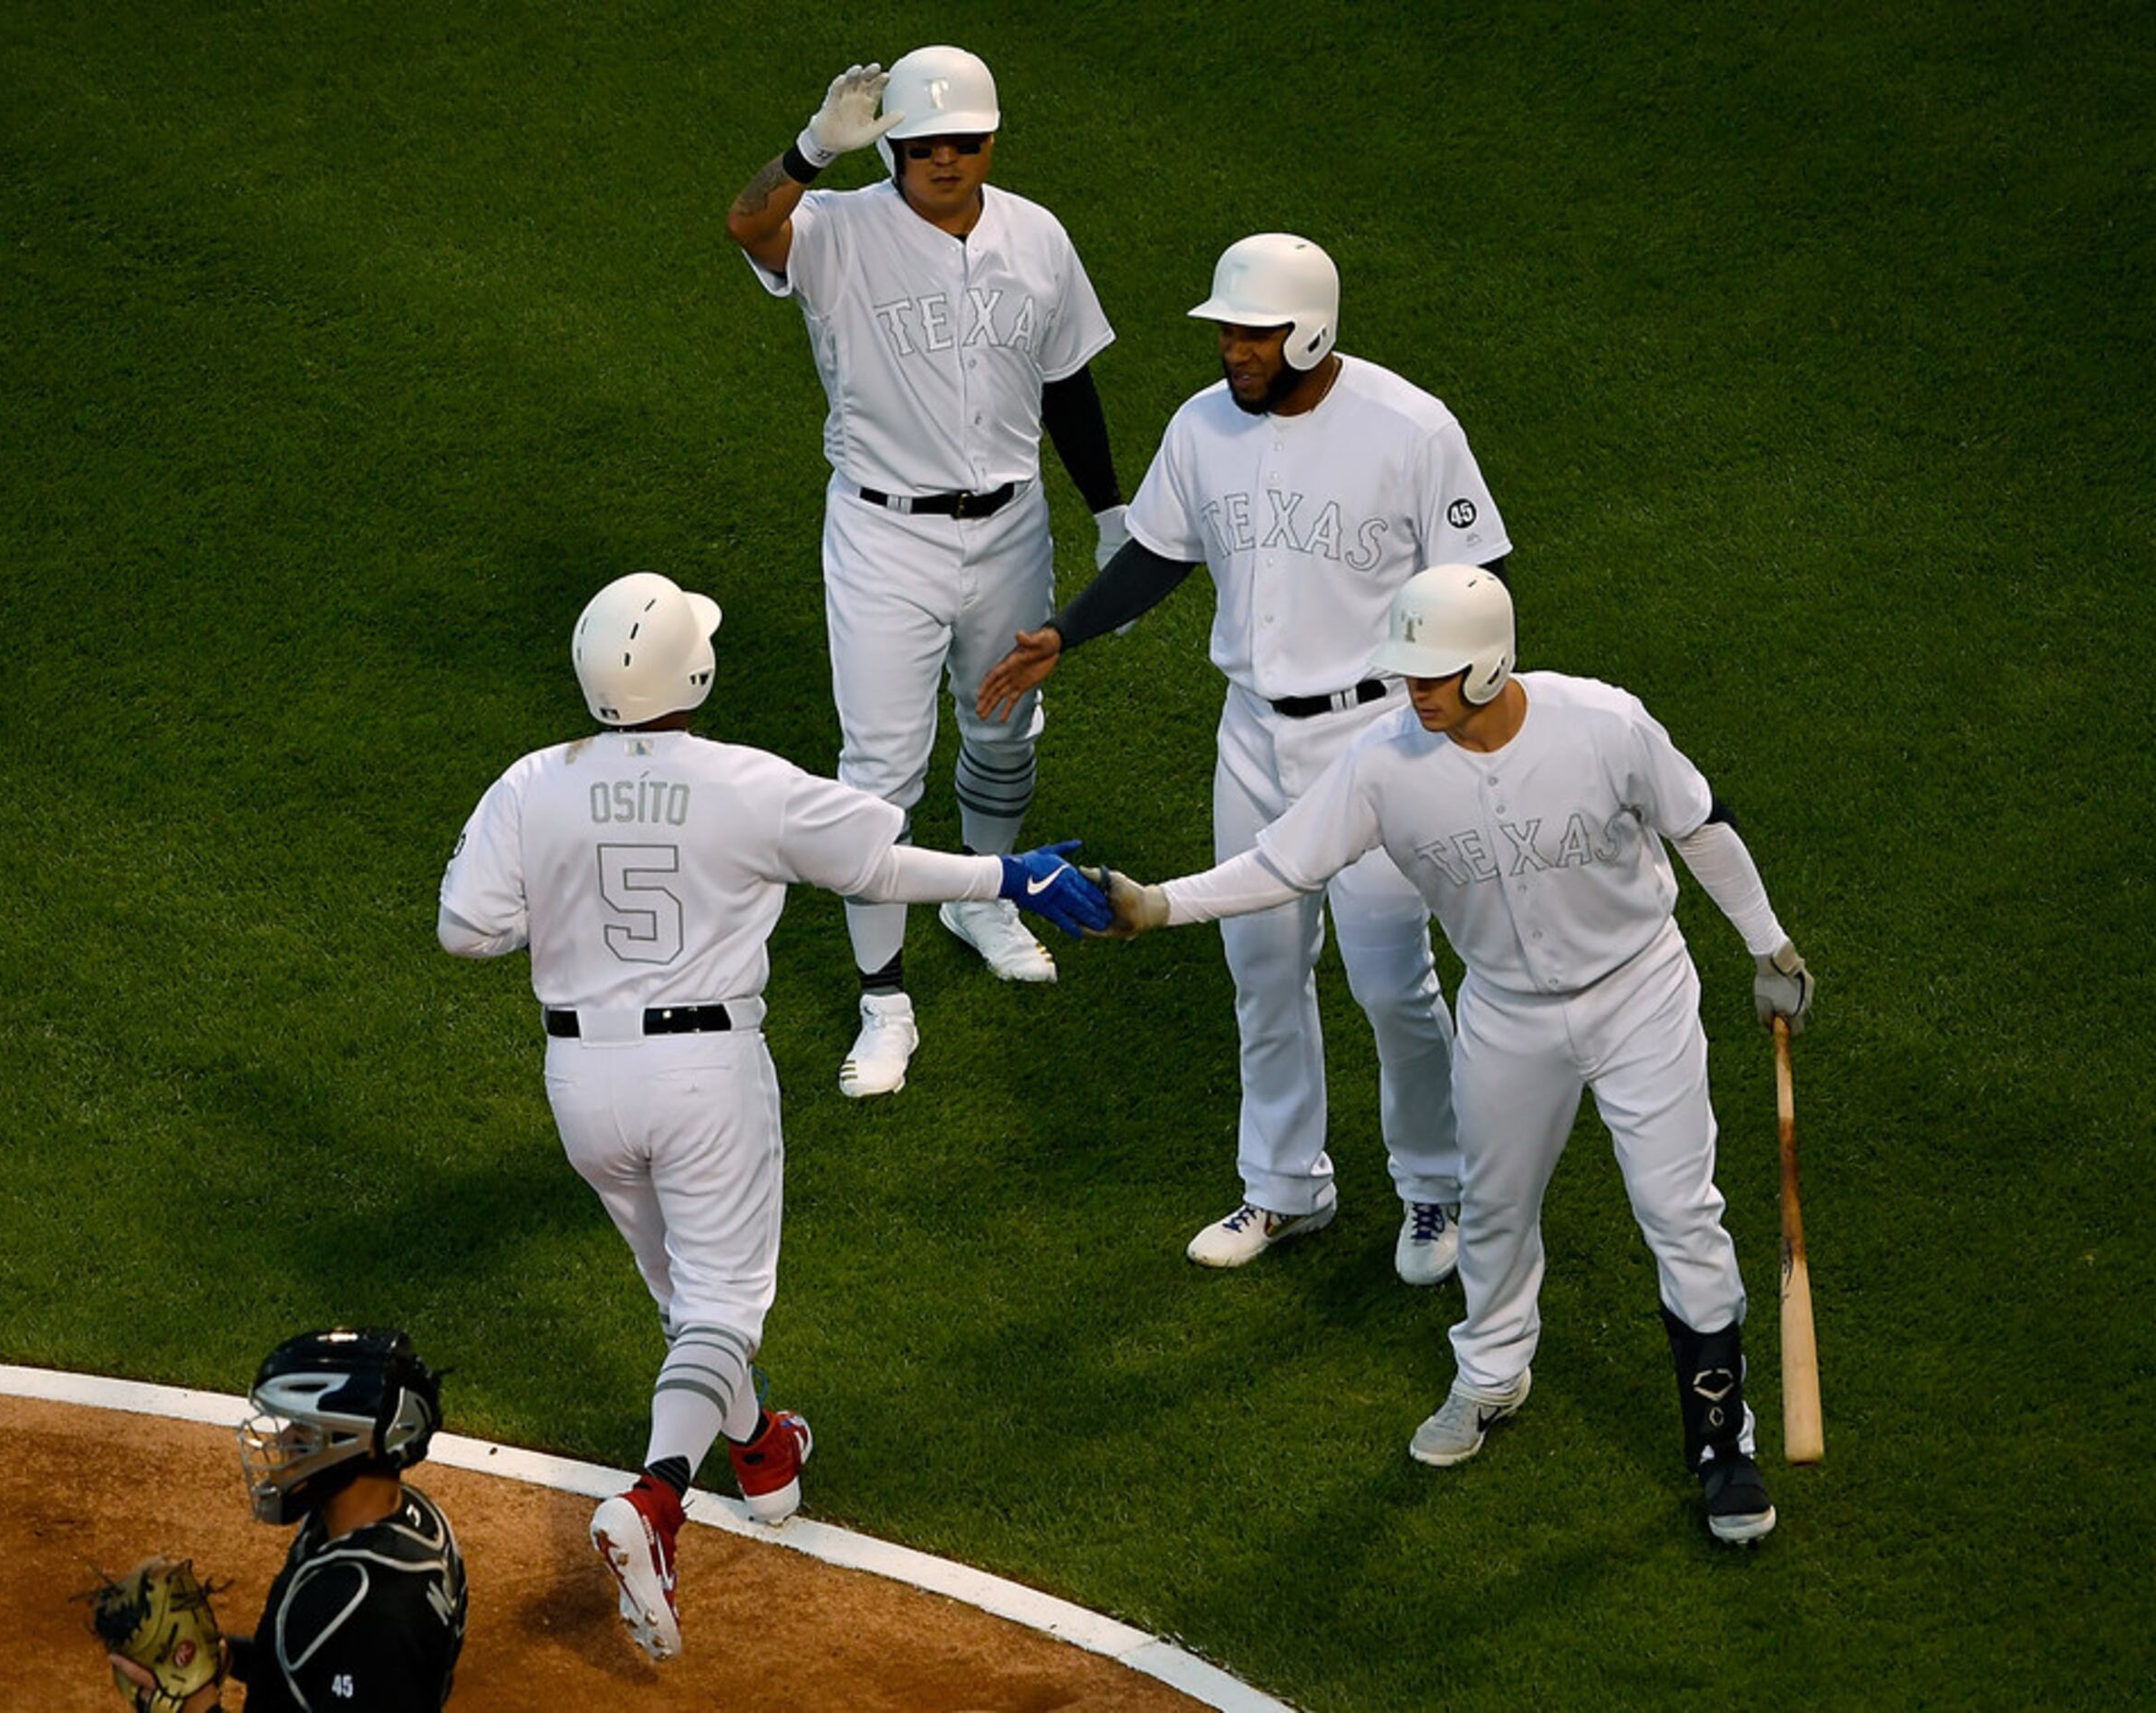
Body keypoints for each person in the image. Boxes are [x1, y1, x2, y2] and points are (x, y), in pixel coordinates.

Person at [435, 572, 1107, 1660]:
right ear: (691, 672)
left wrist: (571, 919)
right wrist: (1011, 876)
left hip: (580, 1081)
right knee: (722, 1308)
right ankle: (656, 1502)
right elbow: (877, 864)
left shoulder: (531, 782)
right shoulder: (743, 783)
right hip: (703, 1071)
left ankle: (760, 1452)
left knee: (685, 1306)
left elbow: (467, 929)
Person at [1089, 566, 1815, 1544]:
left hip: (1640, 992)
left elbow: (1701, 823)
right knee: (1497, 1207)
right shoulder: (1383, 764)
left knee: (1679, 1210)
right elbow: (1282, 863)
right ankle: (1490, 1376)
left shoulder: (1603, 726)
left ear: (1493, 662)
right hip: (1509, 1014)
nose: (1414, 691)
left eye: (1434, 674)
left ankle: (1723, 1446)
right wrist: (1160, 904)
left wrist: (1769, 948)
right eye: (1408, 672)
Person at [980, 234, 1513, 1281]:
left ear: (1310, 330)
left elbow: (1477, 582)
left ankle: (1435, 1191)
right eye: (1226, 330)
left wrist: (1461, 731)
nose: (1232, 350)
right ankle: (1283, 1188)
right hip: (1254, 735)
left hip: (1379, 740)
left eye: (1252, 333)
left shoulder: (1411, 428)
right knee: (1260, 969)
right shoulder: (1202, 427)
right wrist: (1067, 633)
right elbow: (1160, 553)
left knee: (1391, 980)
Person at [724, 47, 1129, 1100]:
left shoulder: (1036, 233)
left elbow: (1069, 383)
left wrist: (1113, 512)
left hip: (1012, 529)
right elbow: (747, 225)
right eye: (924, 142)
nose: (946, 158)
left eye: (967, 140)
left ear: (993, 140)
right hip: (882, 536)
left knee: (1005, 730)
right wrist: (813, 150)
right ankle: (884, 1002)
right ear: (892, 142)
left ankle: (981, 895)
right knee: (879, 775)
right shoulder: (839, 230)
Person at [101, 1327, 469, 1710]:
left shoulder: (371, 1614)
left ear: (363, 1442)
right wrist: (230, 1657)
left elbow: (351, 1658)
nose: (284, 1441)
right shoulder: (408, 1521)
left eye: (304, 1428)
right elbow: (321, 1669)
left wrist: (197, 1708)